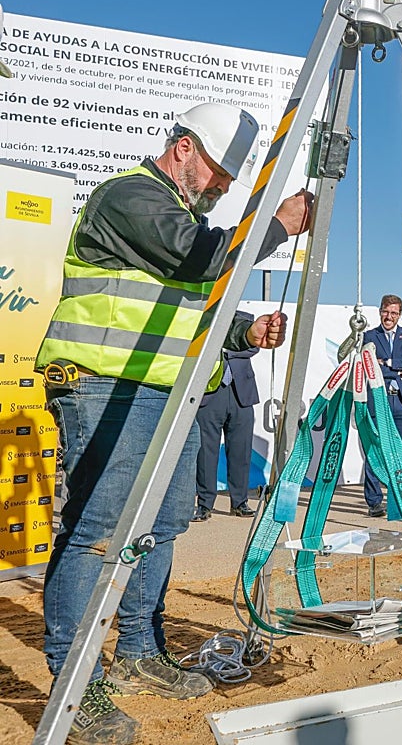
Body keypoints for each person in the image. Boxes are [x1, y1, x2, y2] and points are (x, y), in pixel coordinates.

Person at [35, 102, 312, 744]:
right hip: (106, 388)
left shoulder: (177, 217)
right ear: (184, 147)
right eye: (215, 172)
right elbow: (200, 259)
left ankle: (137, 652)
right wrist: (276, 223)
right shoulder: (130, 197)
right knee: (96, 532)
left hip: (167, 392)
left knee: (161, 526)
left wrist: (244, 330)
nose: (218, 186)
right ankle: (76, 689)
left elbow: (190, 309)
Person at [361, 294, 402, 517]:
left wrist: (386, 362)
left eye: (394, 313)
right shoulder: (369, 336)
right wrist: (400, 366)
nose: (389, 316)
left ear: (399, 314)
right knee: (375, 451)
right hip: (379, 400)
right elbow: (368, 367)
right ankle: (374, 501)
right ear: (380, 312)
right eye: (386, 312)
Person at [193, 318, 259, 521]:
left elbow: (251, 347)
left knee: (241, 452)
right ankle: (204, 505)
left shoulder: (244, 318)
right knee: (206, 452)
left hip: (242, 395)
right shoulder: (206, 315)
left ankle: (239, 502)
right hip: (210, 393)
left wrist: (222, 347)